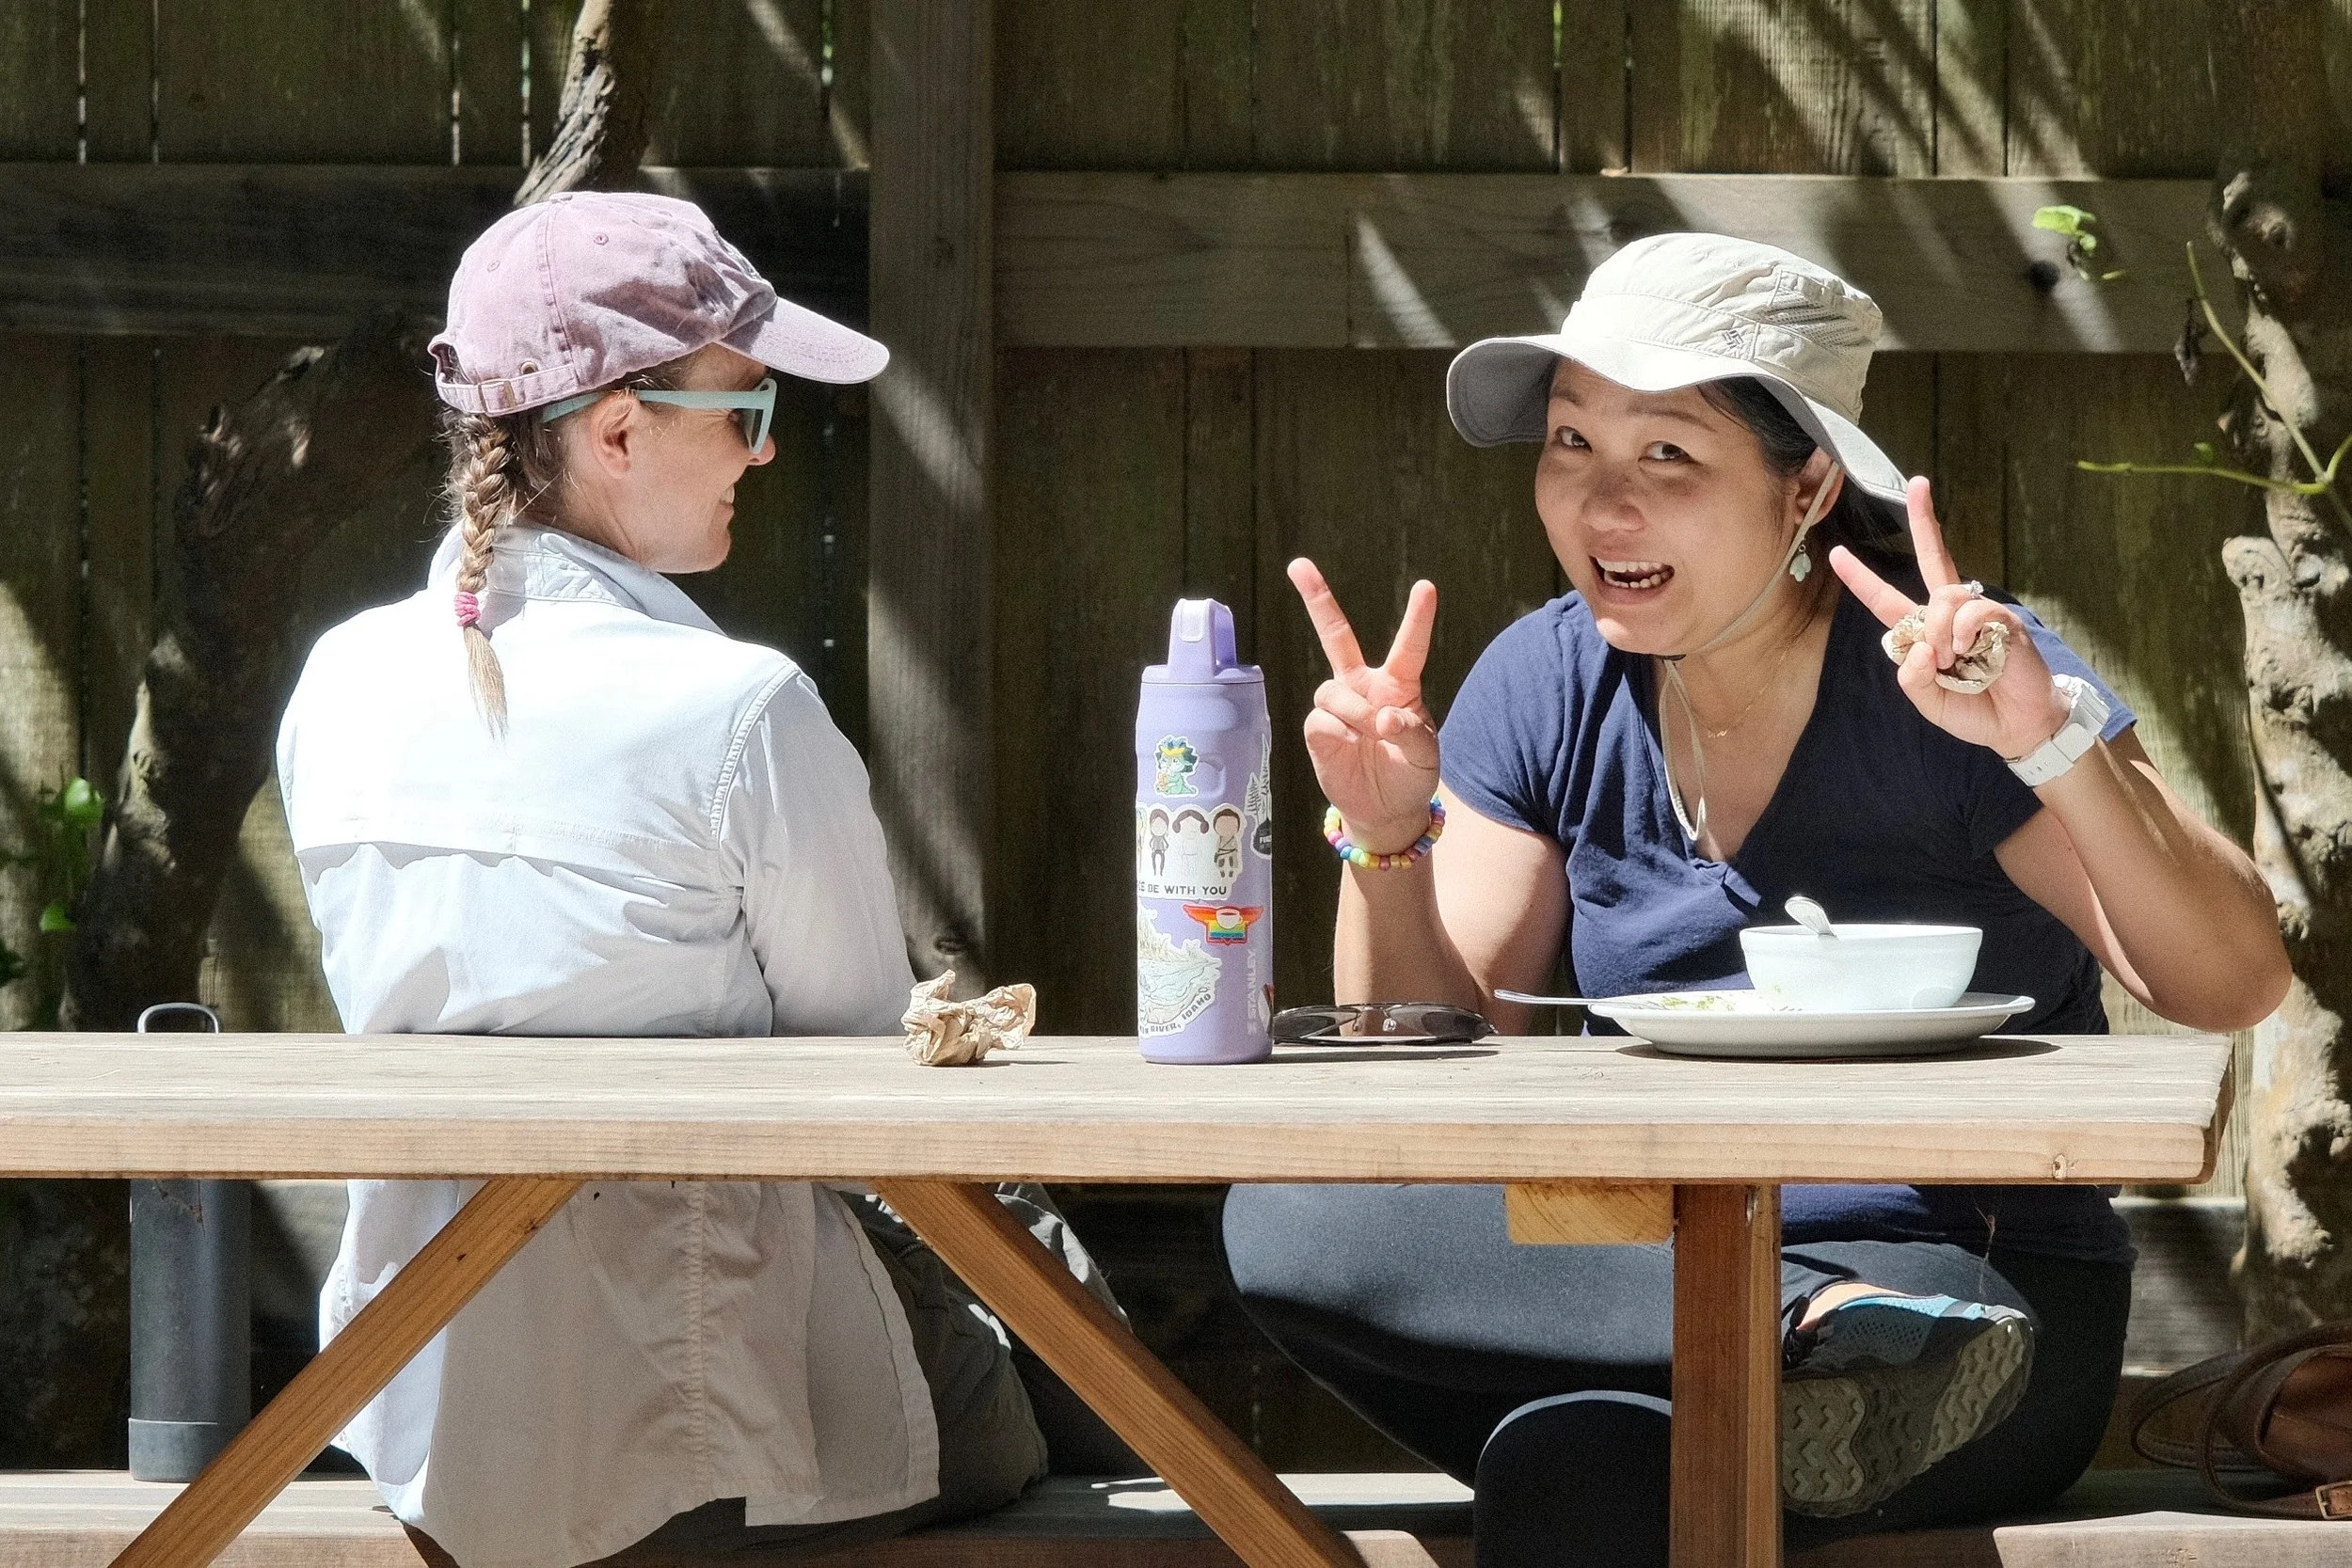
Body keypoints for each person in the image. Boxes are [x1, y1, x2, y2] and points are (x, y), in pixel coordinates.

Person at [1220, 232, 2290, 1565]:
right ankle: (1802, 1321)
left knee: (1581, 1475)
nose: (1604, 506)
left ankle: (1834, 1325)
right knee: (1294, 1213)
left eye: (1667, 455)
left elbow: (2232, 981)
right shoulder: (1543, 682)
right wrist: (1384, 838)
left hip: (1975, 1309)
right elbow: (1429, 1076)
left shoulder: (1956, 681)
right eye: (1570, 446)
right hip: (1627, 1283)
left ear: (1807, 489)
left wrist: (2044, 743)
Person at [276, 192, 1120, 1568]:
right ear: (616, 430)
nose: (767, 451)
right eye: (745, 410)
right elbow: (873, 1084)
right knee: (1055, 1369)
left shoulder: (339, 684)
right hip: (720, 1443)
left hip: (433, 1420)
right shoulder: (741, 712)